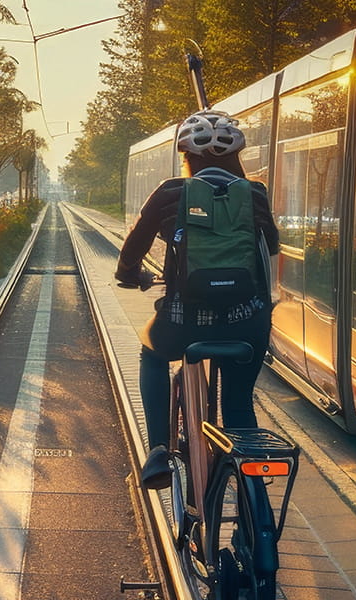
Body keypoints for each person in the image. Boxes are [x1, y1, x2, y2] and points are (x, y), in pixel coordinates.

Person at [115, 109, 280, 489]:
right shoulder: (255, 192)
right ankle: (253, 502)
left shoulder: (171, 191)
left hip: (182, 322)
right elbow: (270, 245)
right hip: (248, 321)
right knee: (238, 405)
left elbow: (132, 250)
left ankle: (157, 448)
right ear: (236, 158)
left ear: (185, 156)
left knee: (151, 352)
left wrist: (130, 275)